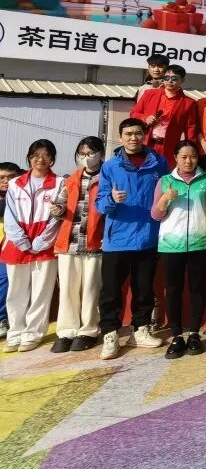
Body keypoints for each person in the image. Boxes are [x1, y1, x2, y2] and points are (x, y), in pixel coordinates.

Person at [95, 118, 168, 359]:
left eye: (137, 133)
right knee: (111, 291)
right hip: (117, 239)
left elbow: (166, 194)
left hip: (148, 237)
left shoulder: (159, 163)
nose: (133, 138)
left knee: (144, 288)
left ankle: (140, 329)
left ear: (144, 135)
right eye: (128, 134)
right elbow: (99, 204)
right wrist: (112, 199)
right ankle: (110, 333)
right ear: (121, 137)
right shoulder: (110, 166)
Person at [152, 140, 206, 360]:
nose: (189, 161)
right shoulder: (165, 181)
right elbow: (156, 215)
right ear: (175, 158)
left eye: (193, 156)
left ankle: (195, 333)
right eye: (184, 157)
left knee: (198, 288)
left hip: (201, 242)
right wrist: (165, 199)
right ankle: (176, 335)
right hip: (171, 245)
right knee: (173, 289)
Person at [1, 140, 61, 352]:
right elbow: (10, 214)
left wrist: (42, 241)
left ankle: (33, 333)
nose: (40, 159)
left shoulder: (59, 183)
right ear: (29, 158)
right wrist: (21, 240)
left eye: (45, 155)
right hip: (17, 244)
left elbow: (58, 216)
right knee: (15, 292)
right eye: (35, 155)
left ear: (52, 159)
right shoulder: (15, 183)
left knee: (41, 292)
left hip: (45, 244)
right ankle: (15, 332)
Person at [50, 137, 106, 353]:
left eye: (91, 153)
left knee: (91, 289)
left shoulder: (108, 177)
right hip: (69, 242)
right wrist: (58, 210)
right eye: (82, 154)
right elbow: (60, 205)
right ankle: (66, 331)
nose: (86, 157)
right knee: (67, 289)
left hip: (96, 242)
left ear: (101, 154)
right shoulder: (71, 179)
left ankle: (88, 330)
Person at [131, 64, 198, 170]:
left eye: (174, 78)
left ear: (182, 80)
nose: (169, 81)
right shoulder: (149, 94)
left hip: (169, 147)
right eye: (166, 78)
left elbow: (190, 129)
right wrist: (145, 118)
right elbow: (134, 113)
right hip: (146, 142)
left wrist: (191, 150)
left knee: (164, 175)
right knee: (141, 172)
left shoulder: (189, 103)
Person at [0, 162, 23, 341]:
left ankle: (2, 319)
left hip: (12, 248)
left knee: (5, 280)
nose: (6, 181)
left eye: (11, 177)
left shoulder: (22, 196)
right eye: (2, 178)